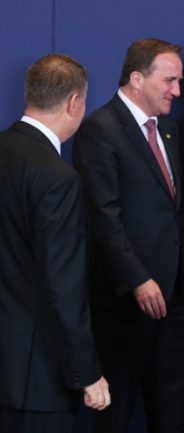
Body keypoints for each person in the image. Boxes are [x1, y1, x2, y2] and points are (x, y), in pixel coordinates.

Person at [73, 39, 184, 433]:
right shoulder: (100, 130)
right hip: (124, 305)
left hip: (174, 301)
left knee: (172, 415)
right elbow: (103, 217)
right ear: (137, 78)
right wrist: (138, 279)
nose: (177, 91)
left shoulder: (170, 130)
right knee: (116, 416)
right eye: (170, 80)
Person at [0, 54, 110, 433]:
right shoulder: (58, 177)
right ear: (74, 102)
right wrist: (88, 372)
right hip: (38, 378)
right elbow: (63, 285)